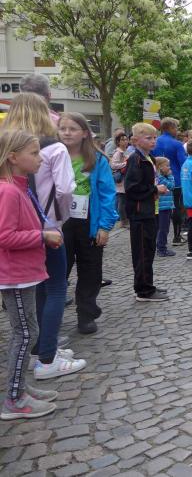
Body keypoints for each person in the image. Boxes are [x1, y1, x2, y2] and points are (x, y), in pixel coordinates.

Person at [4, 93, 85, 380]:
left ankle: (39, 350)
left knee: (37, 289)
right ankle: (46, 357)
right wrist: (56, 220)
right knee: (55, 288)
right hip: (46, 228)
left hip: (26, 227)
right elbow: (65, 189)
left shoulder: (8, 147)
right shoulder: (54, 147)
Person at [0, 130, 64, 420]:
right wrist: (42, 236)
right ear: (13, 157)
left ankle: (20, 389)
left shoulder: (19, 188)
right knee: (25, 334)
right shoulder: (9, 191)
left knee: (27, 332)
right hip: (15, 274)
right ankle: (14, 399)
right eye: (34, 153)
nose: (40, 158)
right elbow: (4, 236)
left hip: (23, 272)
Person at [58, 113, 118, 335]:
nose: (67, 133)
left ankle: (86, 314)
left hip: (89, 222)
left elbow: (107, 194)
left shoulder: (97, 159)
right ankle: (52, 314)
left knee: (90, 270)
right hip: (61, 222)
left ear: (84, 133)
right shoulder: (52, 156)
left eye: (72, 129)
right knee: (59, 270)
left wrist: (105, 226)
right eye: (63, 128)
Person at [125, 123, 170, 302]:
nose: (153, 141)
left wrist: (155, 191)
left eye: (154, 138)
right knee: (142, 252)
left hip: (149, 210)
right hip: (140, 213)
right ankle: (144, 291)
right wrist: (155, 190)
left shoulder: (148, 158)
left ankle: (147, 284)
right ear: (136, 140)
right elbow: (132, 188)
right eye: (148, 138)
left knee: (149, 250)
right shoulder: (135, 160)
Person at [152, 118, 187, 248]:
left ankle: (157, 238)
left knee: (158, 209)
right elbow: (183, 163)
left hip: (156, 180)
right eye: (176, 128)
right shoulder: (177, 144)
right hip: (175, 180)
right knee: (176, 207)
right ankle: (176, 237)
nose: (177, 130)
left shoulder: (154, 142)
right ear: (171, 128)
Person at [154, 158, 176, 257]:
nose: (169, 167)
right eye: (167, 165)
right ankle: (161, 248)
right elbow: (171, 186)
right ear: (160, 167)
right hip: (163, 207)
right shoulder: (161, 178)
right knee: (164, 228)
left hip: (163, 206)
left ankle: (159, 246)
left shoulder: (159, 177)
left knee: (160, 228)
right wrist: (170, 175)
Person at [110, 132, 129, 228]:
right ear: (118, 142)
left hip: (125, 179)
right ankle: (123, 221)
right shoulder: (118, 152)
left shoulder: (125, 151)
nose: (125, 141)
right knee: (122, 201)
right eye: (122, 140)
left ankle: (125, 220)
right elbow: (113, 165)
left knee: (124, 201)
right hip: (121, 179)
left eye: (126, 139)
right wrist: (126, 164)